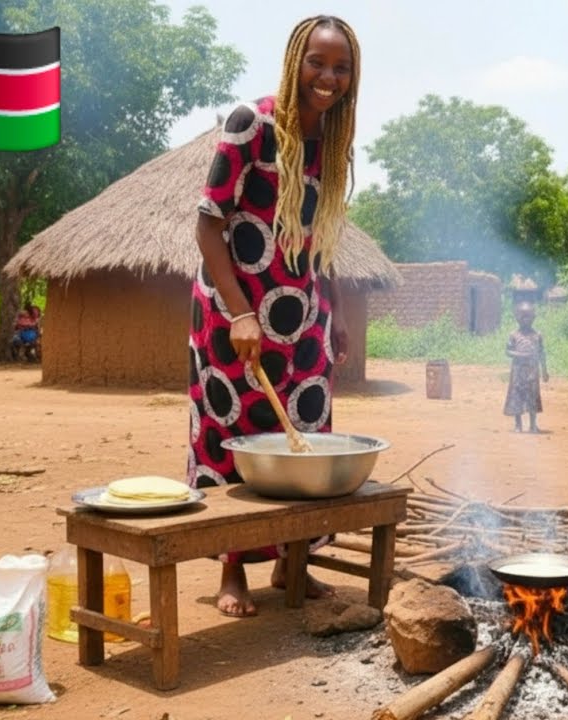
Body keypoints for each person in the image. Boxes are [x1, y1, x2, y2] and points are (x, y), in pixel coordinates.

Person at [188, 15, 359, 618]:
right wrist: (240, 313)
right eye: (318, 63)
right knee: (236, 434)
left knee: (308, 435)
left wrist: (333, 310)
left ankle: (295, 561)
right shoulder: (252, 124)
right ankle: (232, 569)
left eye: (341, 68)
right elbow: (209, 223)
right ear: (295, 61)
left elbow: (322, 234)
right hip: (235, 311)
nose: (328, 77)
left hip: (305, 313)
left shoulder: (333, 142)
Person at [503, 301, 548, 432]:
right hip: (518, 372)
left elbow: (542, 353)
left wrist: (544, 371)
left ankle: (533, 425)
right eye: (522, 316)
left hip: (533, 372)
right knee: (517, 396)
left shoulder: (537, 335)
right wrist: (520, 354)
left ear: (533, 317)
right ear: (517, 317)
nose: (525, 319)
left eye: (528, 316)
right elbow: (507, 351)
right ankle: (518, 425)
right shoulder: (514, 335)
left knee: (532, 396)